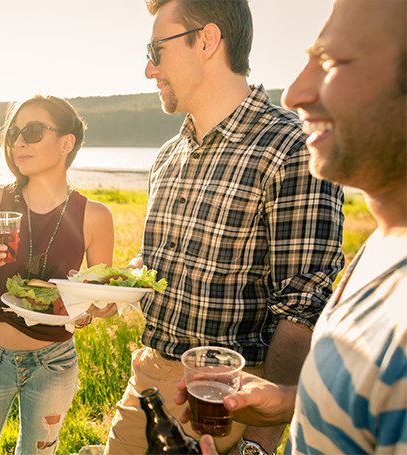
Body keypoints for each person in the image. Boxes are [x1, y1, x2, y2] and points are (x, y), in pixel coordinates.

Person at [105, 0, 346, 453]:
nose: (147, 70)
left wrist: (257, 444)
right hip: (147, 380)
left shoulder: (291, 148)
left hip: (226, 403)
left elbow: (302, 310)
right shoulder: (167, 155)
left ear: (208, 41)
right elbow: (159, 264)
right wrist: (113, 289)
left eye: (156, 50)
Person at [177, 1, 407, 453]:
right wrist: (285, 403)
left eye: (334, 62)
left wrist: (258, 445)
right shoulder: (383, 246)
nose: (294, 92)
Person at [0, 95, 116, 453]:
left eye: (32, 131)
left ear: (66, 142)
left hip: (54, 363)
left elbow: (101, 303)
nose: (18, 143)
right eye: (14, 134)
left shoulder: (95, 216)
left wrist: (97, 307)